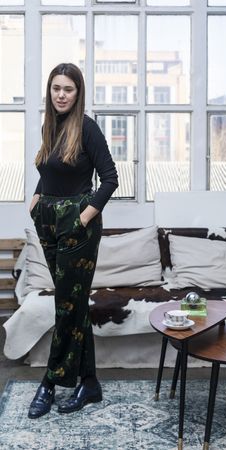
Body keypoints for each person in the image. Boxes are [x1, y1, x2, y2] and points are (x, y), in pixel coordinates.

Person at [28, 62, 118, 419]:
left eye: (68, 89)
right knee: (75, 304)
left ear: (78, 93)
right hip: (48, 221)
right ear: (49, 92)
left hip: (77, 226)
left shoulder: (87, 128)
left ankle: (49, 384)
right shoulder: (50, 126)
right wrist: (37, 198)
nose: (61, 95)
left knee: (66, 307)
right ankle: (90, 382)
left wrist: (83, 217)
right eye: (56, 88)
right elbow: (50, 171)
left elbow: (110, 178)